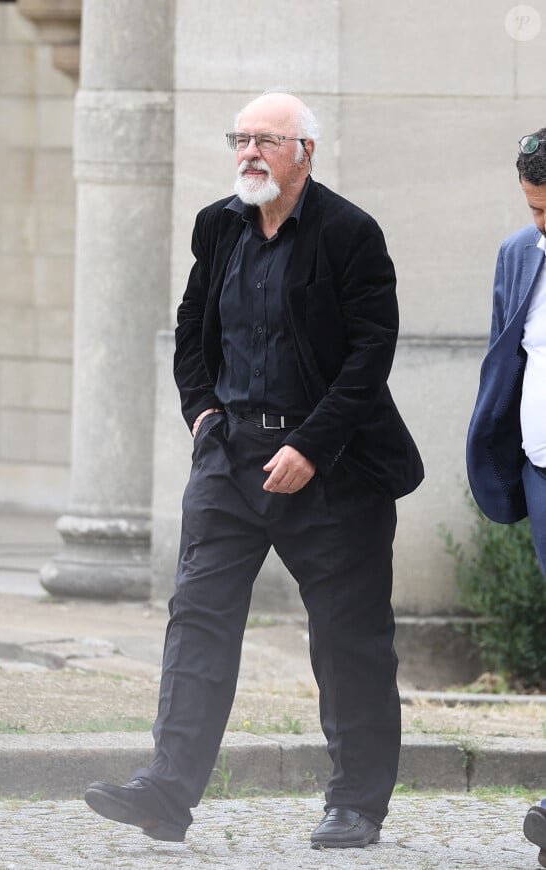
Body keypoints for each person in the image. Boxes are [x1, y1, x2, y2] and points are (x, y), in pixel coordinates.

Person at [84, 91, 424, 850]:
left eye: (267, 140)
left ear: (305, 152)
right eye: (241, 138)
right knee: (197, 621)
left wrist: (311, 445)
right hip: (229, 459)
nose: (249, 153)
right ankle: (167, 792)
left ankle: (357, 804)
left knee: (347, 640)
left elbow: (371, 355)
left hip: (332, 469)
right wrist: (203, 416)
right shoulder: (220, 225)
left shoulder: (350, 234)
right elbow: (191, 333)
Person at [466, 128, 546, 869]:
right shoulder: (520, 253)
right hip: (541, 471)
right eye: (535, 208)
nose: (542, 223)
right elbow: (505, 355)